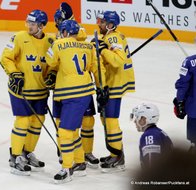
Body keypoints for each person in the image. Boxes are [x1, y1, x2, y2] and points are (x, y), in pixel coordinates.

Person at [46, 19, 107, 183]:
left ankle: (67, 168)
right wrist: (102, 87)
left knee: (65, 131)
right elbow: (97, 68)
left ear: (64, 32)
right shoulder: (88, 46)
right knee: (71, 131)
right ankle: (80, 163)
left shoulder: (58, 43)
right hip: (82, 92)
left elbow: (50, 62)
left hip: (70, 93)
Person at [0, 10, 55, 175]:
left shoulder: (50, 41)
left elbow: (53, 63)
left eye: (33, 24)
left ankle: (27, 152)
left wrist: (52, 74)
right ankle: (15, 156)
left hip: (40, 91)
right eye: (28, 23)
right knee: (23, 121)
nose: (29, 26)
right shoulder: (18, 37)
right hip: (20, 90)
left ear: (42, 26)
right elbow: (6, 58)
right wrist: (14, 73)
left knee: (37, 123)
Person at [52, 2, 100, 168]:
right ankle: (66, 151)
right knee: (63, 124)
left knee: (86, 122)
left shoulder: (73, 36)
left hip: (73, 88)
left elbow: (51, 61)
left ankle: (85, 154)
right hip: (69, 87)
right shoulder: (60, 38)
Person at [93, 10, 135, 172]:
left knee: (110, 120)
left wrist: (102, 49)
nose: (99, 24)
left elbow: (117, 61)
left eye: (102, 22)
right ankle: (114, 153)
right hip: (112, 82)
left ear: (111, 25)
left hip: (114, 84)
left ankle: (118, 157)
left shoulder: (112, 37)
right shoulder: (111, 36)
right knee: (106, 119)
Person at [130, 103, 173, 169]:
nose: (135, 121)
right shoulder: (157, 132)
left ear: (144, 119)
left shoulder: (150, 136)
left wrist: (150, 178)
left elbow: (151, 164)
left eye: (137, 118)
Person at [174, 54, 196, 154]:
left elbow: (183, 84)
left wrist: (180, 101)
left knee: (194, 143)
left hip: (194, 110)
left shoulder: (189, 61)